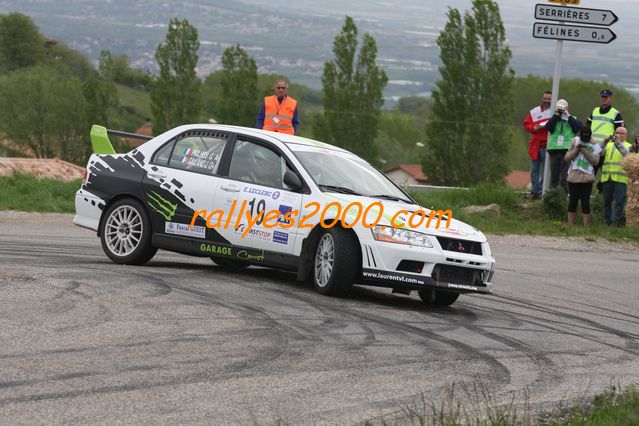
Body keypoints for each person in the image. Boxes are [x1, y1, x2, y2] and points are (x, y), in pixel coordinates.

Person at [564, 127, 601, 226]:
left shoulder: (595, 144)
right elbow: (566, 158)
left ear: (590, 136)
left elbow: (596, 161)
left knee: (585, 202)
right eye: (583, 137)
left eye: (587, 137)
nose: (585, 139)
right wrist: (576, 150)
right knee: (572, 202)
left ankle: (586, 227)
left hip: (587, 177)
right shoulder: (575, 141)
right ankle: (570, 225)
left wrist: (585, 151)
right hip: (573, 175)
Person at [545, 99, 581, 192]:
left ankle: (564, 197)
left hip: (567, 151)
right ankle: (552, 197)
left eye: (563, 108)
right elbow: (549, 128)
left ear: (567, 108)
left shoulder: (572, 118)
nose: (561, 110)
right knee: (554, 177)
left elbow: (577, 128)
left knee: (564, 177)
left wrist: (567, 115)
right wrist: (556, 115)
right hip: (554, 150)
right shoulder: (553, 118)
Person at [523, 91, 553, 199]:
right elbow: (526, 124)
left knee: (546, 171)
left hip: (547, 145)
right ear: (542, 98)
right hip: (535, 145)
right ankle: (534, 191)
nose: (546, 101)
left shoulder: (553, 112)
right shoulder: (534, 111)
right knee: (534, 170)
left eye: (549, 99)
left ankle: (541, 190)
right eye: (545, 98)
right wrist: (534, 128)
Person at [600, 127, 632, 226]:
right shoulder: (609, 145)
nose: (618, 134)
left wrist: (618, 142)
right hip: (607, 177)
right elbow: (599, 153)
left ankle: (615, 223)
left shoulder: (629, 146)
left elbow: (626, 154)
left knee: (619, 202)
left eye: (621, 133)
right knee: (606, 202)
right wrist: (604, 142)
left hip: (620, 179)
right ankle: (607, 223)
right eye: (617, 132)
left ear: (626, 135)